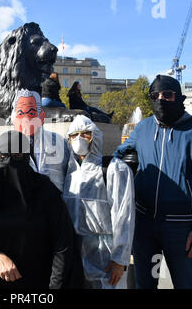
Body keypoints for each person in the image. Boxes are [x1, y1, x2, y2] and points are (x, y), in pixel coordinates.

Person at [113, 75, 192, 289]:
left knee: (184, 284)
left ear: (179, 98)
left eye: (167, 95)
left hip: (180, 229)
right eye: (155, 95)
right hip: (144, 228)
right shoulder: (143, 128)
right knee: (146, 284)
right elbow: (118, 155)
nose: (161, 99)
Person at [0, 130, 84, 289]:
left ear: (27, 157)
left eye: (17, 156)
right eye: (3, 157)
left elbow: (63, 244)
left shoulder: (45, 192)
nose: (9, 163)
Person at [63, 115, 135, 289]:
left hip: (107, 254)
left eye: (85, 134)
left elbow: (123, 215)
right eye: (74, 135)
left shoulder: (113, 169)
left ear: (94, 136)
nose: (79, 139)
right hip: (77, 253)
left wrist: (120, 259)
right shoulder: (69, 174)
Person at [0, 89, 73, 193]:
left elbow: (71, 178)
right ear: (13, 118)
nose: (26, 119)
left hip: (54, 206)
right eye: (20, 113)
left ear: (42, 117)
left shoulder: (59, 143)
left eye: (31, 113)